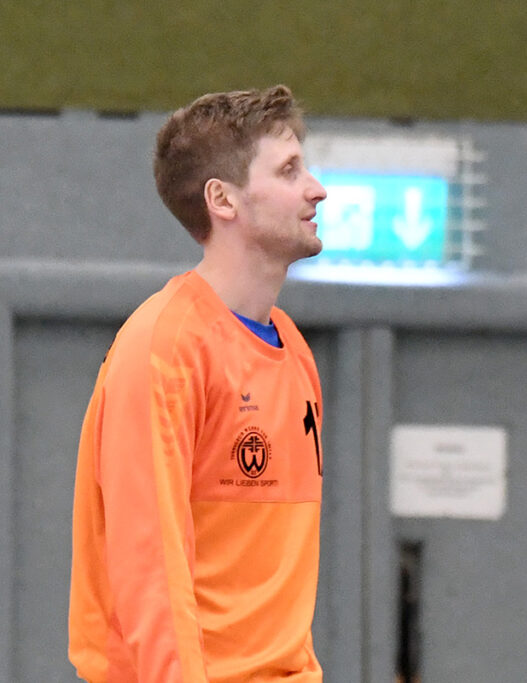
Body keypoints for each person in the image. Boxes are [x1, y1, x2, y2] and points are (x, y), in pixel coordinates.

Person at [68, 85, 328, 681]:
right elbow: (148, 565)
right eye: (289, 171)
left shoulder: (295, 352)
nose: (316, 188)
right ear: (223, 200)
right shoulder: (164, 347)